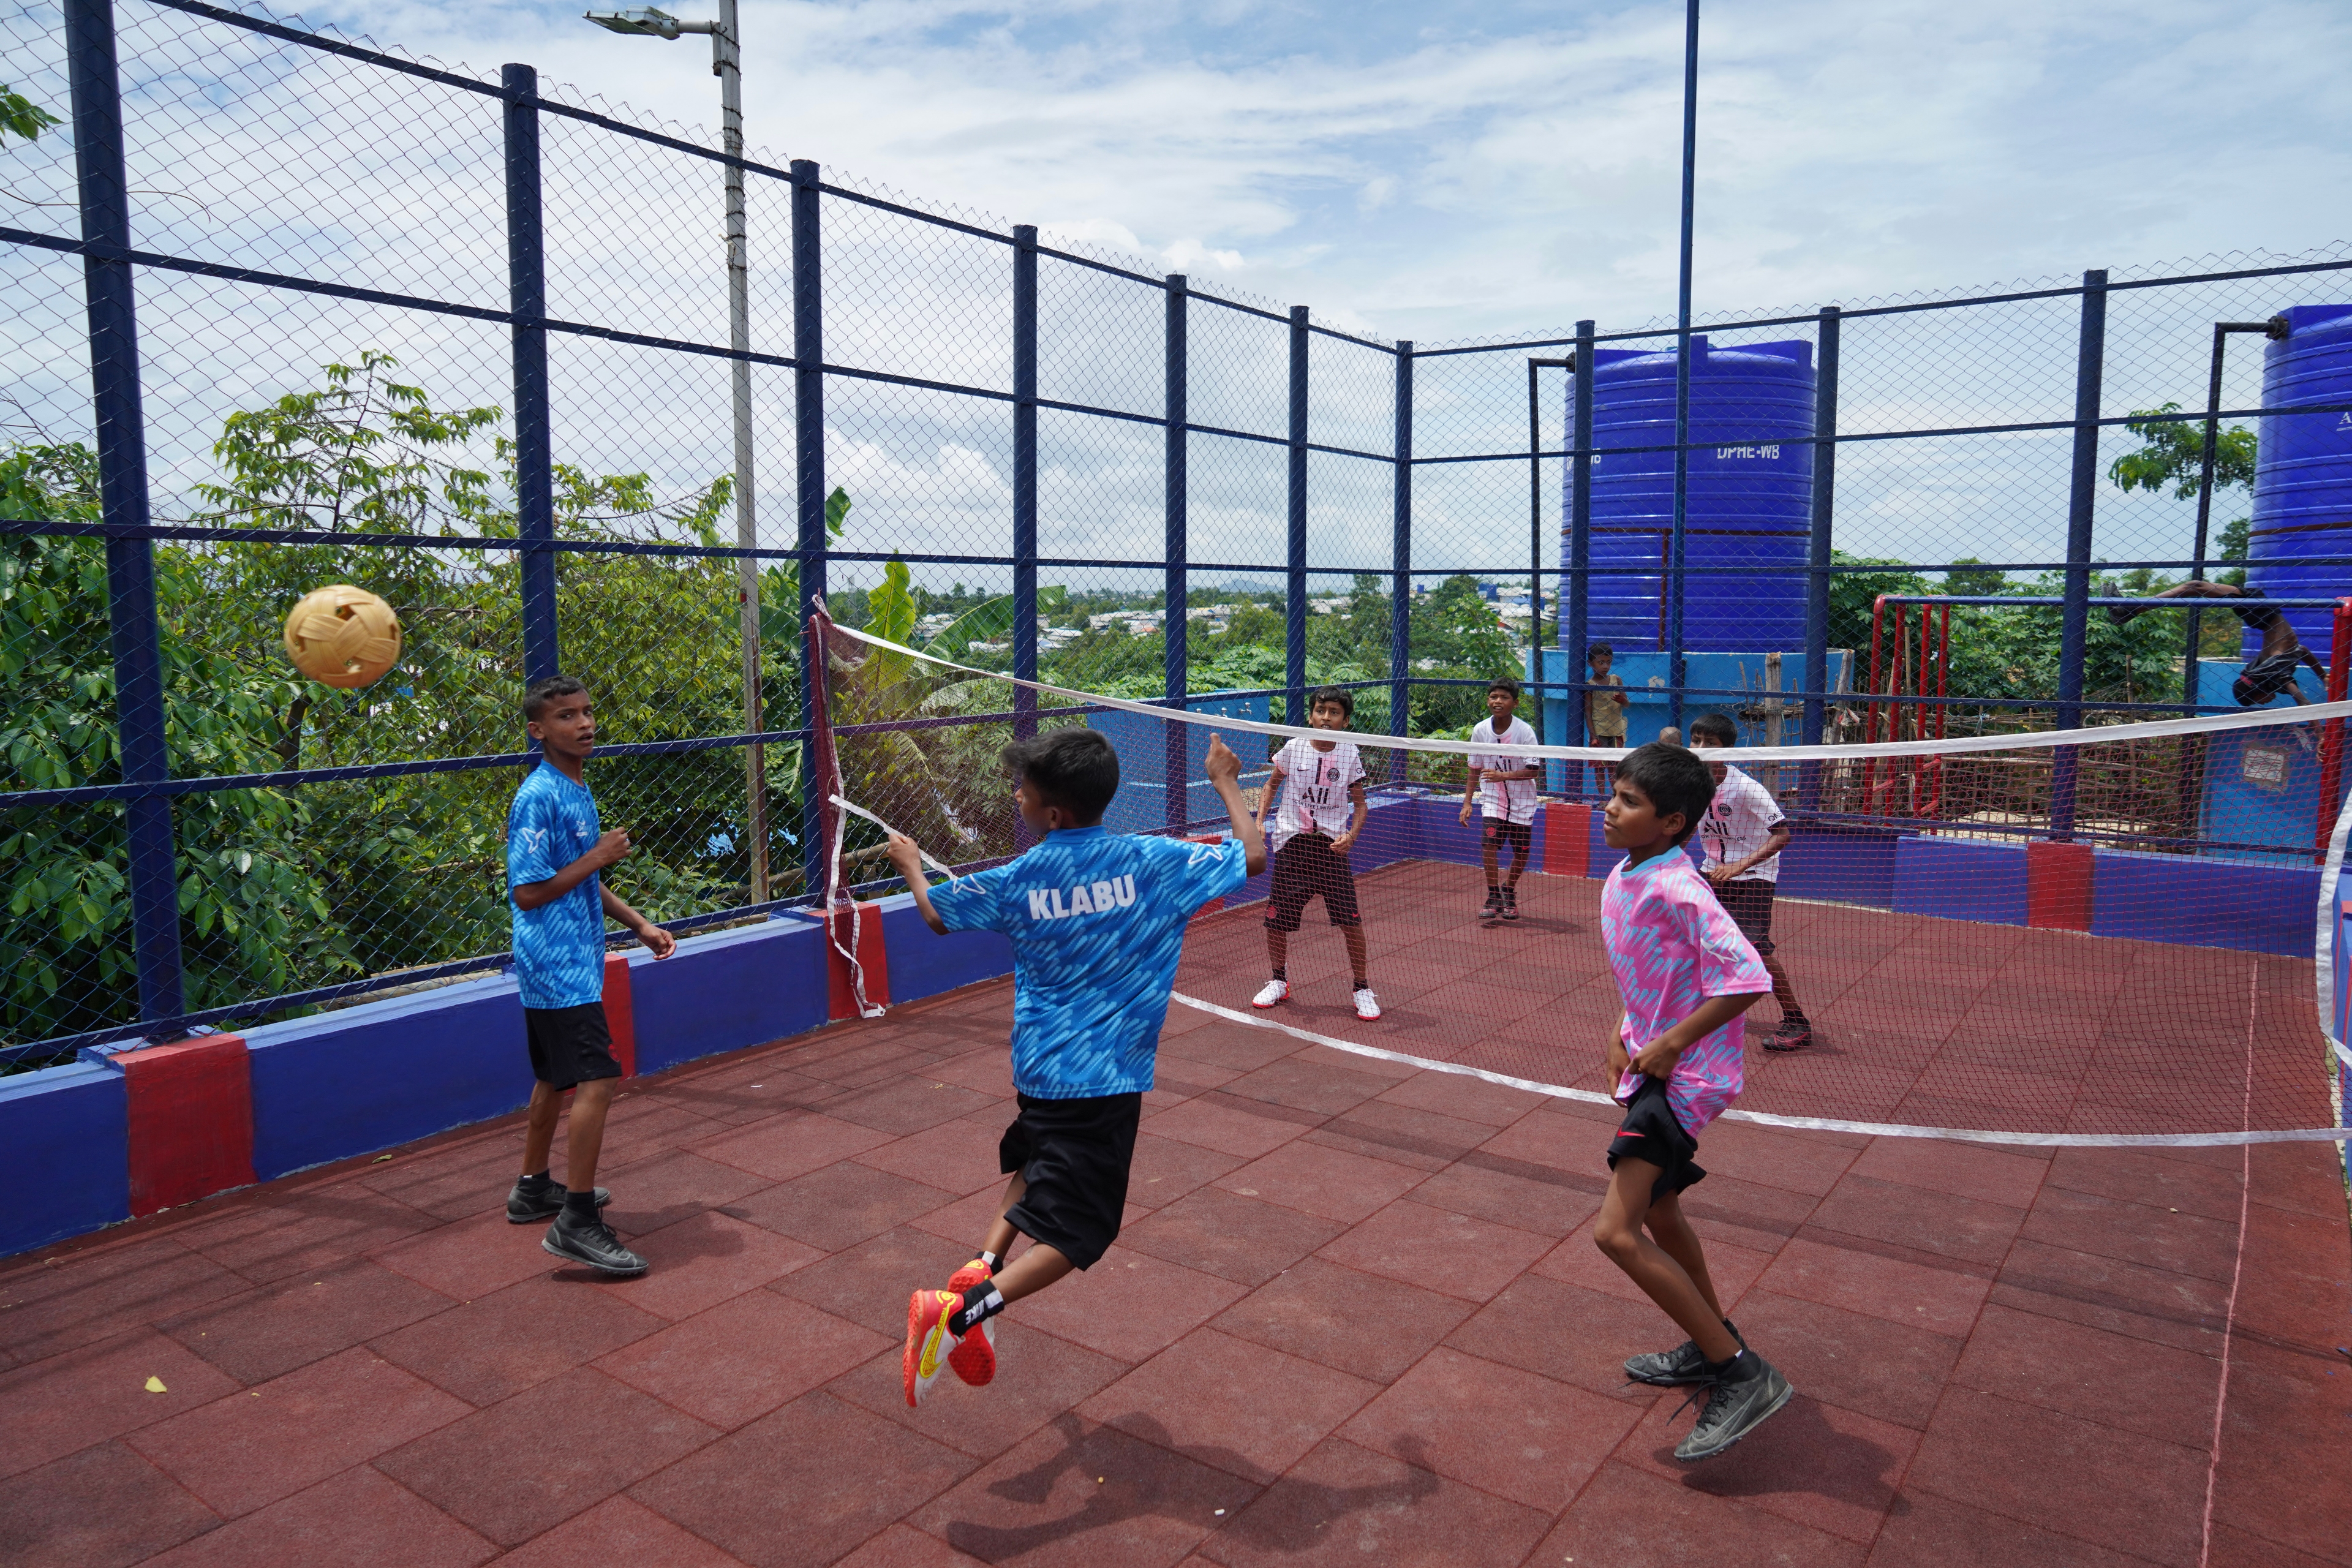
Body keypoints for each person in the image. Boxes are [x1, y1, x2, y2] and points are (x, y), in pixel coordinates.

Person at [884, 728, 1264, 1406]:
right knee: (1083, 1231)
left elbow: (937, 915)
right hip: (1107, 1075)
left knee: (1038, 1161)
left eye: (1022, 794)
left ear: (1052, 814)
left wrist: (911, 864)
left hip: (1040, 1066)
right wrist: (1227, 783)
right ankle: (961, 1315)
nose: (1017, 799)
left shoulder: (1021, 877)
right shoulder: (1154, 861)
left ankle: (983, 1265)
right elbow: (1253, 855)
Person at [1593, 741, 1792, 1463]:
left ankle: (1743, 1374)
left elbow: (1746, 977)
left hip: (1685, 1081)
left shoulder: (1681, 886)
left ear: (1672, 821)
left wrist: (1673, 1043)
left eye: (1630, 801)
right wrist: (1624, 1028)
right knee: (1664, 1211)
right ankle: (1717, 1346)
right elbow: (1650, 971)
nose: (1611, 808)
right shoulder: (1629, 871)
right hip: (1654, 1070)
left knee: (1615, 1232)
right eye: (1613, 793)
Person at [505, 674, 676, 1277]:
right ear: (538, 730)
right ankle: (576, 1220)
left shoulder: (577, 786)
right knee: (598, 1078)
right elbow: (528, 892)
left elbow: (581, 876)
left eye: (587, 711)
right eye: (566, 716)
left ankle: (532, 1190)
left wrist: (639, 923)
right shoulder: (539, 795)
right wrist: (597, 855)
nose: (584, 723)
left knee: (555, 1079)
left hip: (574, 957)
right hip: (554, 963)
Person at [1250, 687, 1379, 1022]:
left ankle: (1362, 988)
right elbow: (1271, 784)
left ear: (1345, 721)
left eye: (1334, 713)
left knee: (1351, 922)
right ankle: (1279, 980)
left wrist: (1351, 835)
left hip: (1332, 849)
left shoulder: (1350, 754)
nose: (1326, 718)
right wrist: (1260, 820)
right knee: (1276, 919)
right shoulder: (1294, 747)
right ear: (1311, 716)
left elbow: (1361, 805)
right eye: (1321, 711)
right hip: (1293, 845)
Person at [1687, 713, 1812, 1050]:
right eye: (1696, 741)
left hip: (1755, 874)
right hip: (1712, 870)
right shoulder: (1691, 784)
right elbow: (1685, 828)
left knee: (1755, 948)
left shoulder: (1746, 788)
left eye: (1710, 744)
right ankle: (1705, 1008)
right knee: (1695, 940)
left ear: (1727, 750)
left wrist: (1740, 865)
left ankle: (1796, 1020)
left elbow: (1782, 834)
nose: (1700, 749)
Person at [2109, 581, 2326, 707]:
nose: (2265, 703)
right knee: (2194, 587)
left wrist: (2318, 731)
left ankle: (2129, 610)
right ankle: (2129, 610)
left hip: (2264, 614)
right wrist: (2323, 675)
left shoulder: (2273, 675)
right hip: (2264, 616)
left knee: (2194, 587)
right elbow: (2302, 651)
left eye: (2259, 701)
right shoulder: (2271, 674)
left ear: (2257, 691)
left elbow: (2303, 703)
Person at [1460, 678, 1540, 921]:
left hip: (1522, 801)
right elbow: (1474, 768)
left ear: (1514, 703)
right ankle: (1494, 894)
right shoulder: (1480, 730)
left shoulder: (1525, 732)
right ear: (1488, 701)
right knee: (1488, 844)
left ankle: (1509, 890)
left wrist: (1503, 775)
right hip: (1493, 799)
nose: (1498, 701)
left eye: (1504, 698)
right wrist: (1467, 802)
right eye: (1494, 697)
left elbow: (1534, 770)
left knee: (1522, 851)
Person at [1586, 643, 1630, 794]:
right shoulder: (1590, 685)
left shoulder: (1616, 680)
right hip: (1600, 731)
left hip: (1616, 730)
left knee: (1614, 766)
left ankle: (1614, 796)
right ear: (1590, 663)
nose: (1605, 666)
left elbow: (1627, 703)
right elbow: (1588, 713)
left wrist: (1622, 701)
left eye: (1609, 662)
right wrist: (1593, 736)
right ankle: (1602, 798)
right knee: (1600, 767)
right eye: (1601, 662)